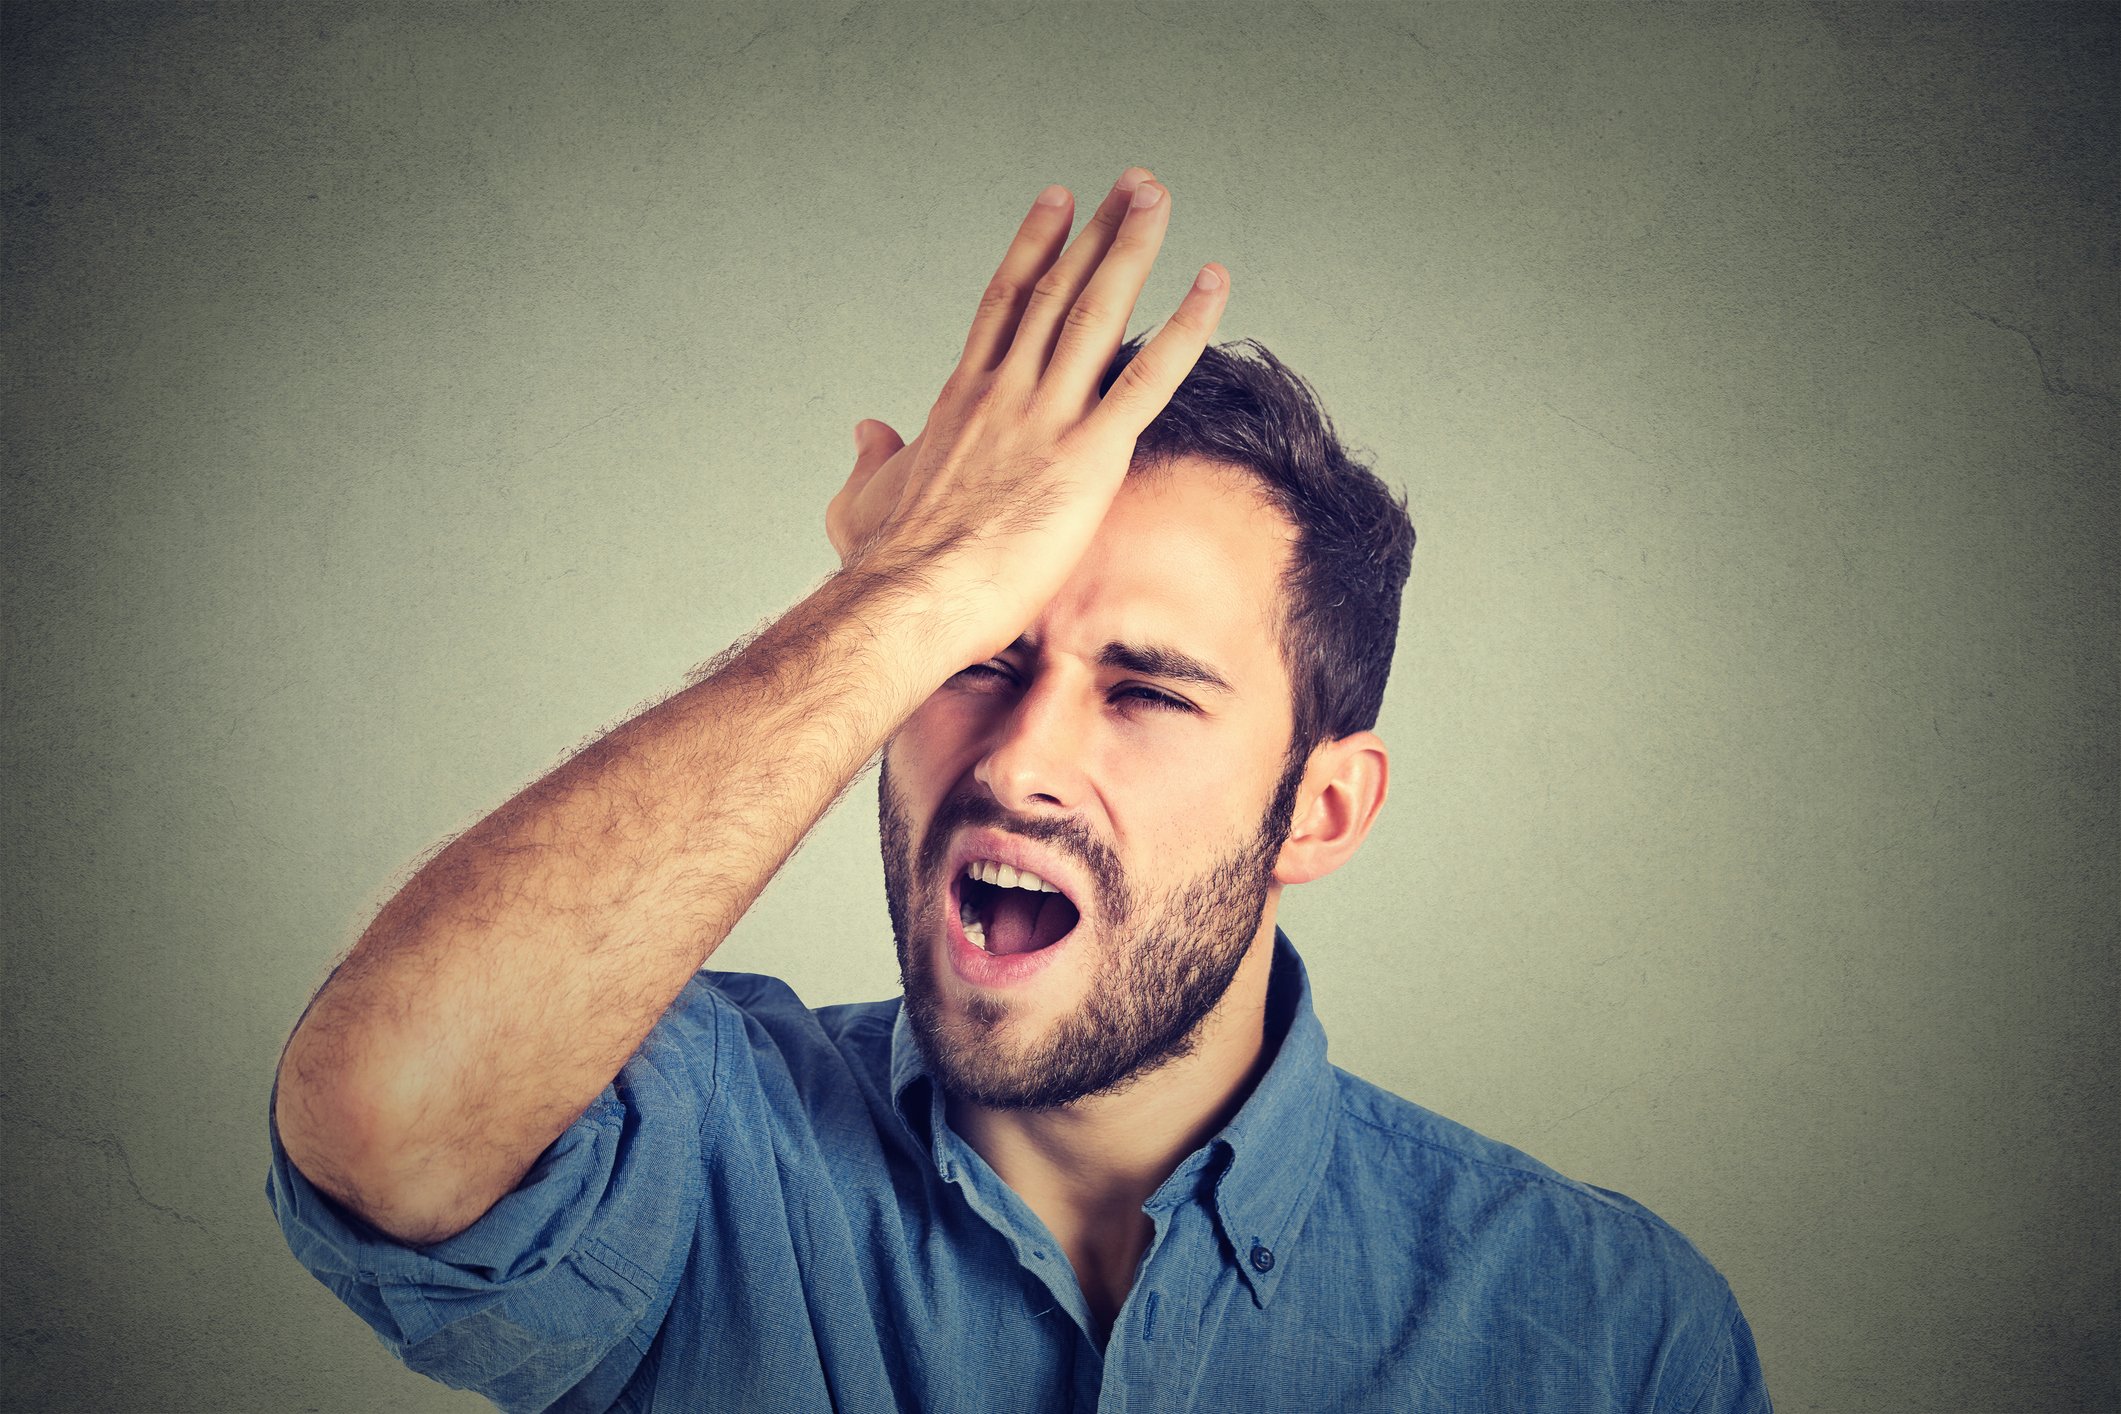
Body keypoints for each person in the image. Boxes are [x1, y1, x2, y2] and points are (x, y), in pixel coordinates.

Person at [266, 166, 1771, 1412]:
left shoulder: (1606, 1329)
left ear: (1320, 812)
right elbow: (383, 1116)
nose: (1015, 759)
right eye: (974, 660)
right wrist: (904, 592)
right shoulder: (699, 1145)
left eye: (1146, 689)